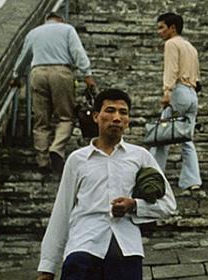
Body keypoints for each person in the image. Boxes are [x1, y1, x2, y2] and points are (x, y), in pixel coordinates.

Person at [36, 88, 176, 280]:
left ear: (128, 121)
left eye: (123, 112)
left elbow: (168, 204)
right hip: (83, 248)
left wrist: (134, 205)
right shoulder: (77, 160)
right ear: (96, 116)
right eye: (110, 110)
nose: (116, 117)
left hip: (125, 251)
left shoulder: (141, 157)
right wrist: (48, 266)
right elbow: (62, 211)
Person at [11, 12, 96, 173]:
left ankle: (42, 159)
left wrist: (16, 76)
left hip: (38, 73)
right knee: (66, 116)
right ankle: (56, 149)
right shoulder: (67, 29)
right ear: (61, 20)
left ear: (46, 20)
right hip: (61, 72)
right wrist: (87, 74)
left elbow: (24, 57)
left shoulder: (34, 33)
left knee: (41, 120)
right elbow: (77, 51)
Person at [151, 12, 202, 192]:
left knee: (161, 137)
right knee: (186, 139)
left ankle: (153, 176)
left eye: (161, 27)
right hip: (192, 93)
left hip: (179, 92)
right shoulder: (190, 47)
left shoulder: (171, 44)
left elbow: (171, 69)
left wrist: (167, 91)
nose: (159, 32)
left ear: (172, 28)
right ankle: (192, 179)